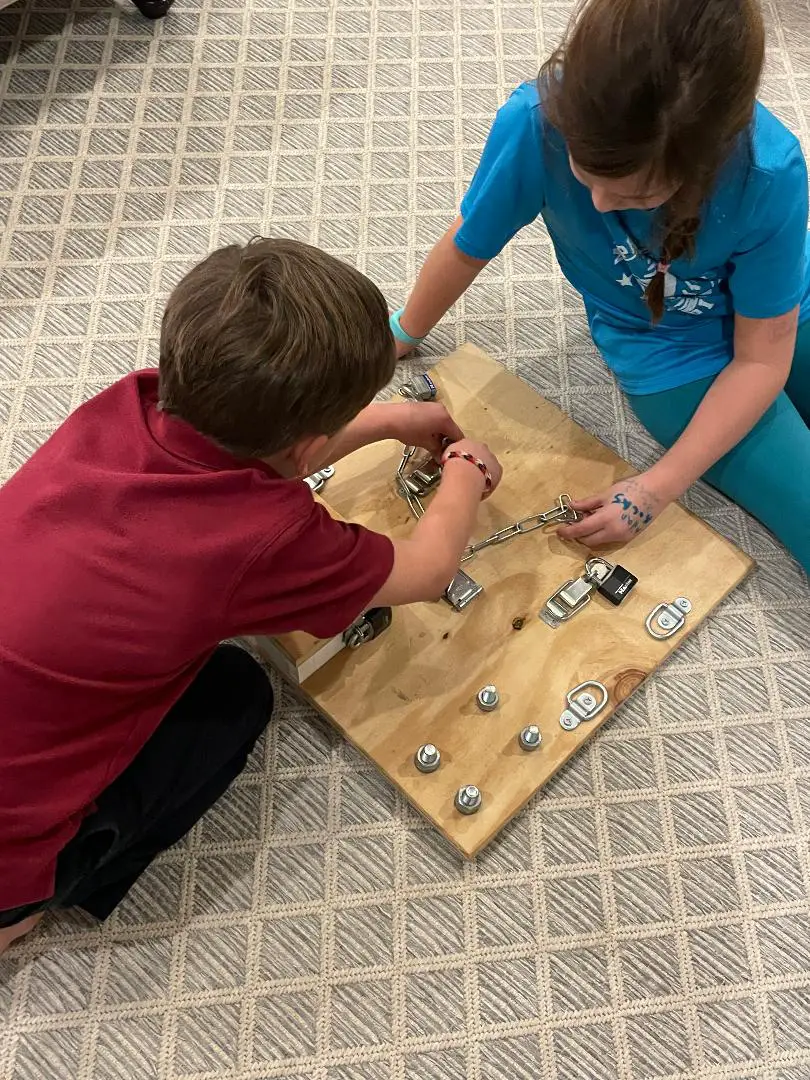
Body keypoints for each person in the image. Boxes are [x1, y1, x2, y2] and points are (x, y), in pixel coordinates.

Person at [0, 238, 502, 953]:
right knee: (238, 692)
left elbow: (245, 455)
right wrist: (464, 467)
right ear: (308, 447)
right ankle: (25, 912)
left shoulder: (126, 403)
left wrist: (387, 422)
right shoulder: (264, 538)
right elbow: (425, 572)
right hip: (7, 856)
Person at [388, 0, 810, 572]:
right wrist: (404, 330)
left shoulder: (768, 171)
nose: (600, 205)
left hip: (784, 312)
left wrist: (653, 489)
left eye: (635, 196)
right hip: (671, 355)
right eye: (586, 176)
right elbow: (469, 244)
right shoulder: (536, 121)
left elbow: (763, 359)